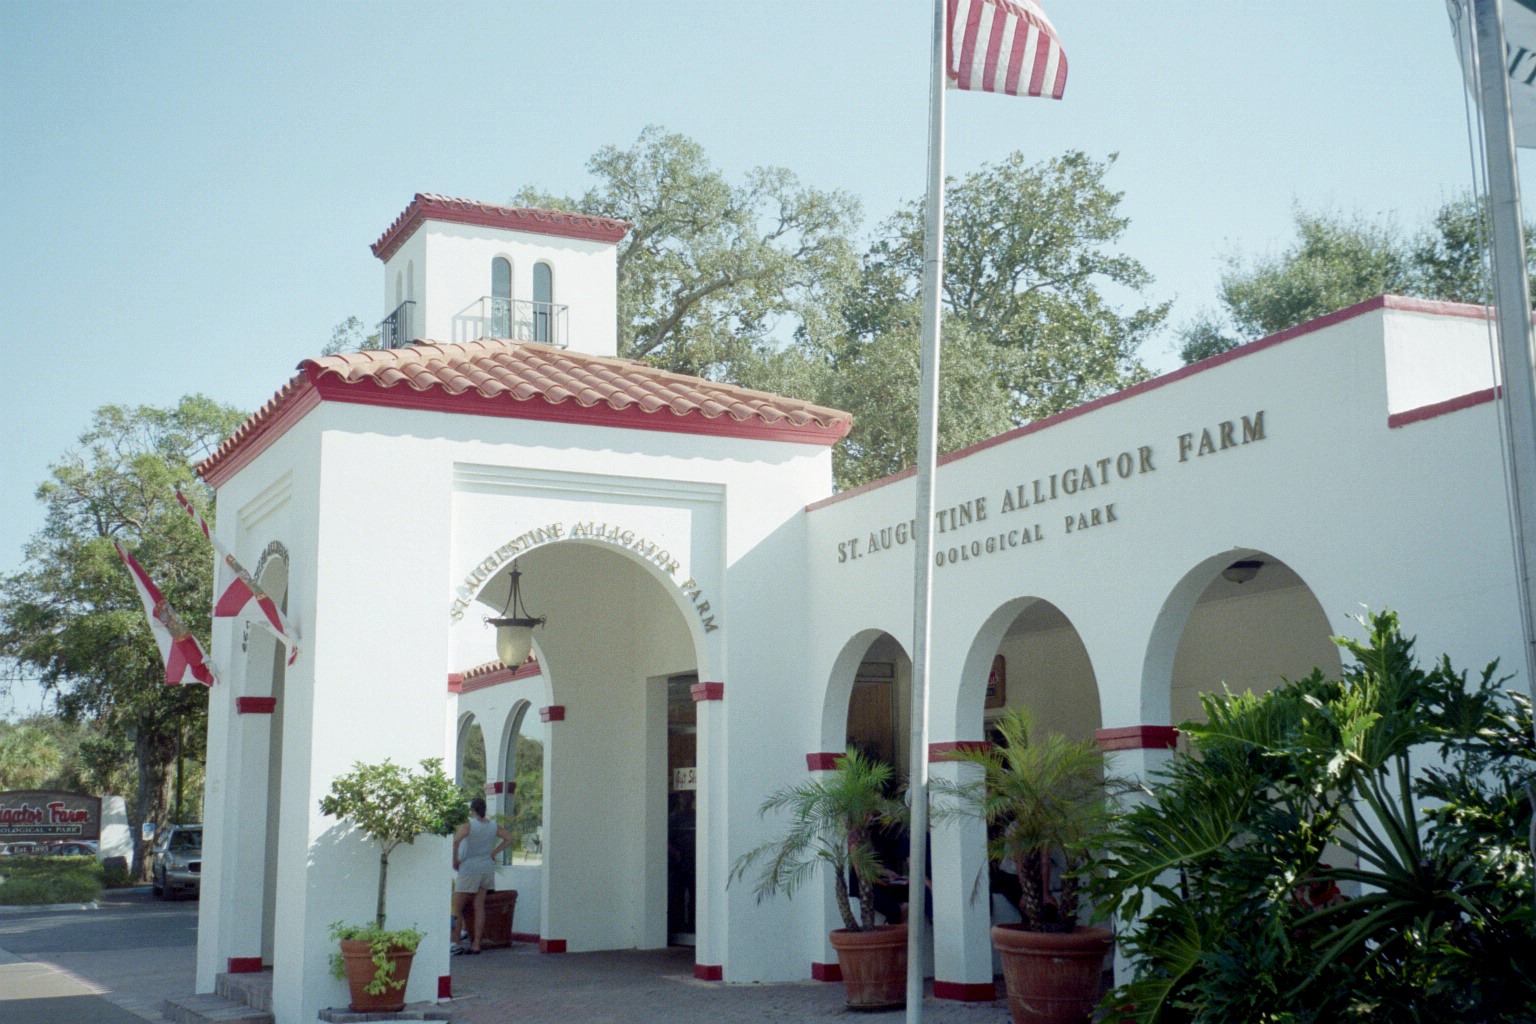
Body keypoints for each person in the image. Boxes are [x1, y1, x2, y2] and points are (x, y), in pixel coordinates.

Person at [452, 797, 514, 954]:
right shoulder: (493, 826)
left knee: (457, 908)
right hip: (486, 868)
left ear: (472, 810)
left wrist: (455, 860)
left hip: (469, 868)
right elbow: (509, 838)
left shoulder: (468, 825)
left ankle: (455, 943)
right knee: (479, 907)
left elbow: (456, 841)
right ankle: (476, 944)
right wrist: (494, 852)